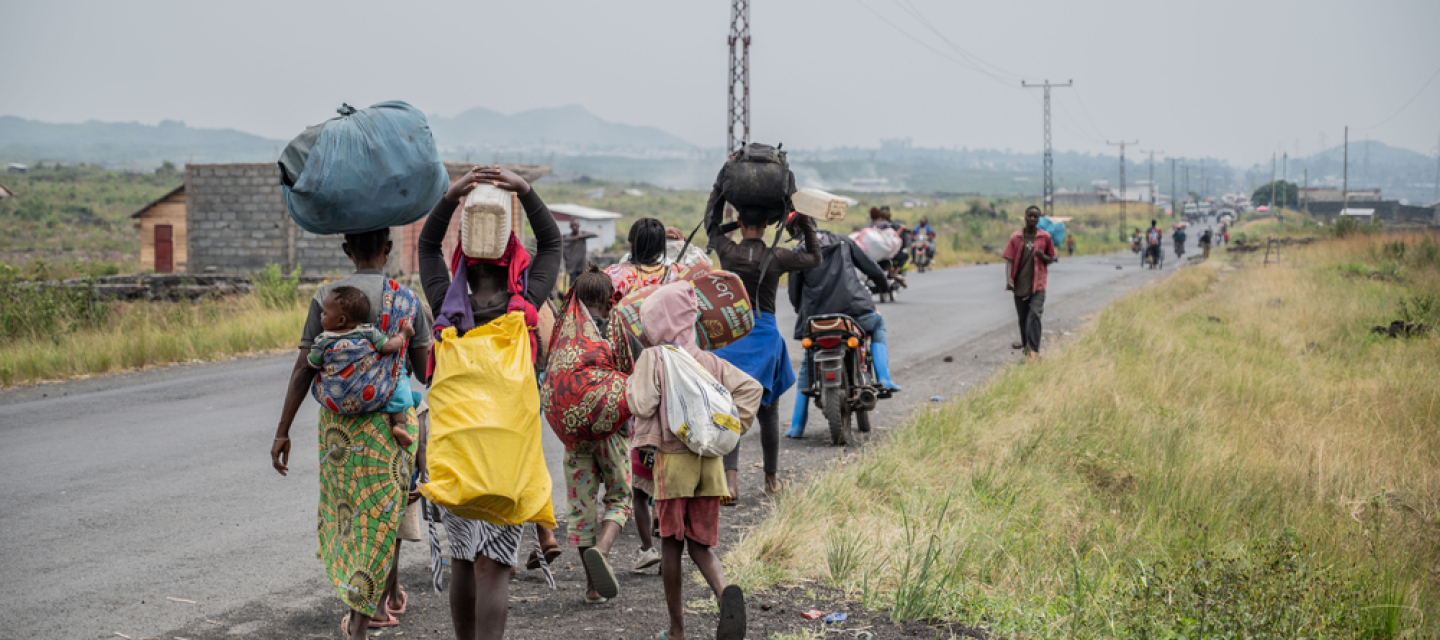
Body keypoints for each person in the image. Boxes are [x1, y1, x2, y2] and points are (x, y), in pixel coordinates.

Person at [416, 165, 562, 640]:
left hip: (456, 449)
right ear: (509, 248)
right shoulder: (525, 304)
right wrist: (525, 192)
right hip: (506, 454)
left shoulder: (445, 304)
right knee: (494, 564)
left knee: (462, 557)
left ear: (466, 249)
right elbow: (552, 245)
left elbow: (425, 246)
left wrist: (450, 197)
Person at [271, 228, 433, 640]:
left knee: (348, 519)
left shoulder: (328, 298)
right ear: (388, 249)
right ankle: (370, 611)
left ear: (346, 249)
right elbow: (425, 370)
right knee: (384, 516)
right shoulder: (408, 300)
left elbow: (304, 368)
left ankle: (360, 607)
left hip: (339, 433)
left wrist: (282, 431)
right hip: (390, 425)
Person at [627, 281, 763, 640]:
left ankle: (676, 629)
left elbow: (641, 406)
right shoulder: (710, 361)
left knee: (671, 544)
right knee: (701, 545)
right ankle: (724, 595)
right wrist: (734, 427)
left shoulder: (654, 358)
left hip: (673, 465)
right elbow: (751, 389)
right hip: (711, 466)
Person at [704, 186, 822, 498]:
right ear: (768, 226)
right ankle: (770, 480)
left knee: (730, 408)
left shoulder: (728, 252)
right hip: (766, 340)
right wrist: (804, 218)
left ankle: (730, 483)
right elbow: (814, 257)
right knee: (767, 410)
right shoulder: (778, 257)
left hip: (733, 337)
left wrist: (718, 189)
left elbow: (710, 224)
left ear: (741, 224)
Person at [559, 267, 639, 604]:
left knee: (582, 509)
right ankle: (603, 551)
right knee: (620, 496)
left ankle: (592, 586)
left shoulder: (565, 333)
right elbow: (637, 369)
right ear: (609, 303)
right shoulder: (618, 327)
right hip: (611, 434)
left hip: (574, 435)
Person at [785, 215, 897, 438]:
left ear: (793, 232)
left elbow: (794, 293)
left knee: (808, 363)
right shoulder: (843, 241)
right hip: (854, 313)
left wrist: (804, 313)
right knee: (877, 324)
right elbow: (872, 269)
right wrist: (884, 285)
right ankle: (884, 378)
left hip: (815, 320)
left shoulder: (797, 253)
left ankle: (797, 426)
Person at [307, 285, 418, 447]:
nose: (321, 315)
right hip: (371, 397)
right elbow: (389, 347)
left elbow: (311, 363)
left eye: (325, 313)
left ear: (341, 321)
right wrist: (403, 334)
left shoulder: (323, 340)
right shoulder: (368, 331)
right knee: (398, 378)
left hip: (334, 401)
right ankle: (399, 425)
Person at [1003, 206, 1056, 361]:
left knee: (1034, 315)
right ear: (1025, 217)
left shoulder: (1045, 237)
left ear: (1039, 219)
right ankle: (1027, 352)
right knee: (1023, 319)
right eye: (1030, 216)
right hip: (1020, 286)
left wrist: (1043, 256)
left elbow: (1052, 258)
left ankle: (1034, 351)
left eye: (1035, 216)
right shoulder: (1016, 237)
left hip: (1038, 285)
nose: (1033, 219)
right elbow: (1009, 260)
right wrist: (1009, 279)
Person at [563, 219, 598, 289]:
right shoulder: (567, 236)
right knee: (573, 285)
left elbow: (594, 234)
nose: (574, 227)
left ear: (579, 226)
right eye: (572, 225)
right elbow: (557, 239)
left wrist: (579, 237)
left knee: (582, 285)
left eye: (576, 225)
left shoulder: (583, 234)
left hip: (582, 265)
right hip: (572, 266)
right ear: (570, 226)